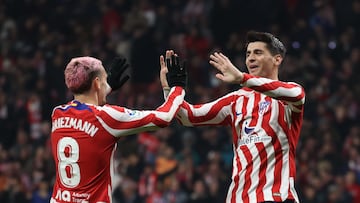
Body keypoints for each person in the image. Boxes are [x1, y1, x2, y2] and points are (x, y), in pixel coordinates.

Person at [160, 31, 306, 203]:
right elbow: (187, 116)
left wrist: (242, 78)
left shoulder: (289, 95)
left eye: (258, 53)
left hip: (275, 197)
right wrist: (171, 90)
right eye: (248, 54)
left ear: (277, 59)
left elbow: (296, 95)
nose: (250, 58)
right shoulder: (236, 100)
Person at [50, 54, 187, 203]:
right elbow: (164, 117)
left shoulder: (57, 114)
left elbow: (84, 108)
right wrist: (177, 87)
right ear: (96, 84)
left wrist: (106, 88)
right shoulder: (107, 117)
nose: (105, 83)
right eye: (103, 80)